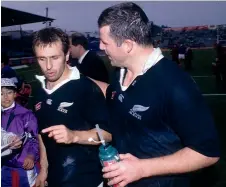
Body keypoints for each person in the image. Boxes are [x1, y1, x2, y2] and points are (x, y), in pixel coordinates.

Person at [97, 2, 220, 187]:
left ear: (128, 45)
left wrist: (141, 169)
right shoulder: (120, 74)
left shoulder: (175, 84)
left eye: (105, 42)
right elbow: (120, 98)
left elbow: (207, 153)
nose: (100, 47)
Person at [32, 27, 111, 187]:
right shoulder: (39, 90)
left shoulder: (85, 88)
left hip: (87, 180)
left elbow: (107, 134)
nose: (48, 66)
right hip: (55, 180)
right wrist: (44, 170)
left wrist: (74, 136)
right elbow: (43, 133)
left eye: (54, 57)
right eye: (42, 59)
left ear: (67, 55)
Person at [1, 78, 39, 187]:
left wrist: (31, 156)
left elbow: (34, 138)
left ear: (15, 94)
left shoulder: (25, 115)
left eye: (9, 93)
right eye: (1, 94)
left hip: (23, 165)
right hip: (3, 164)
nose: (5, 97)